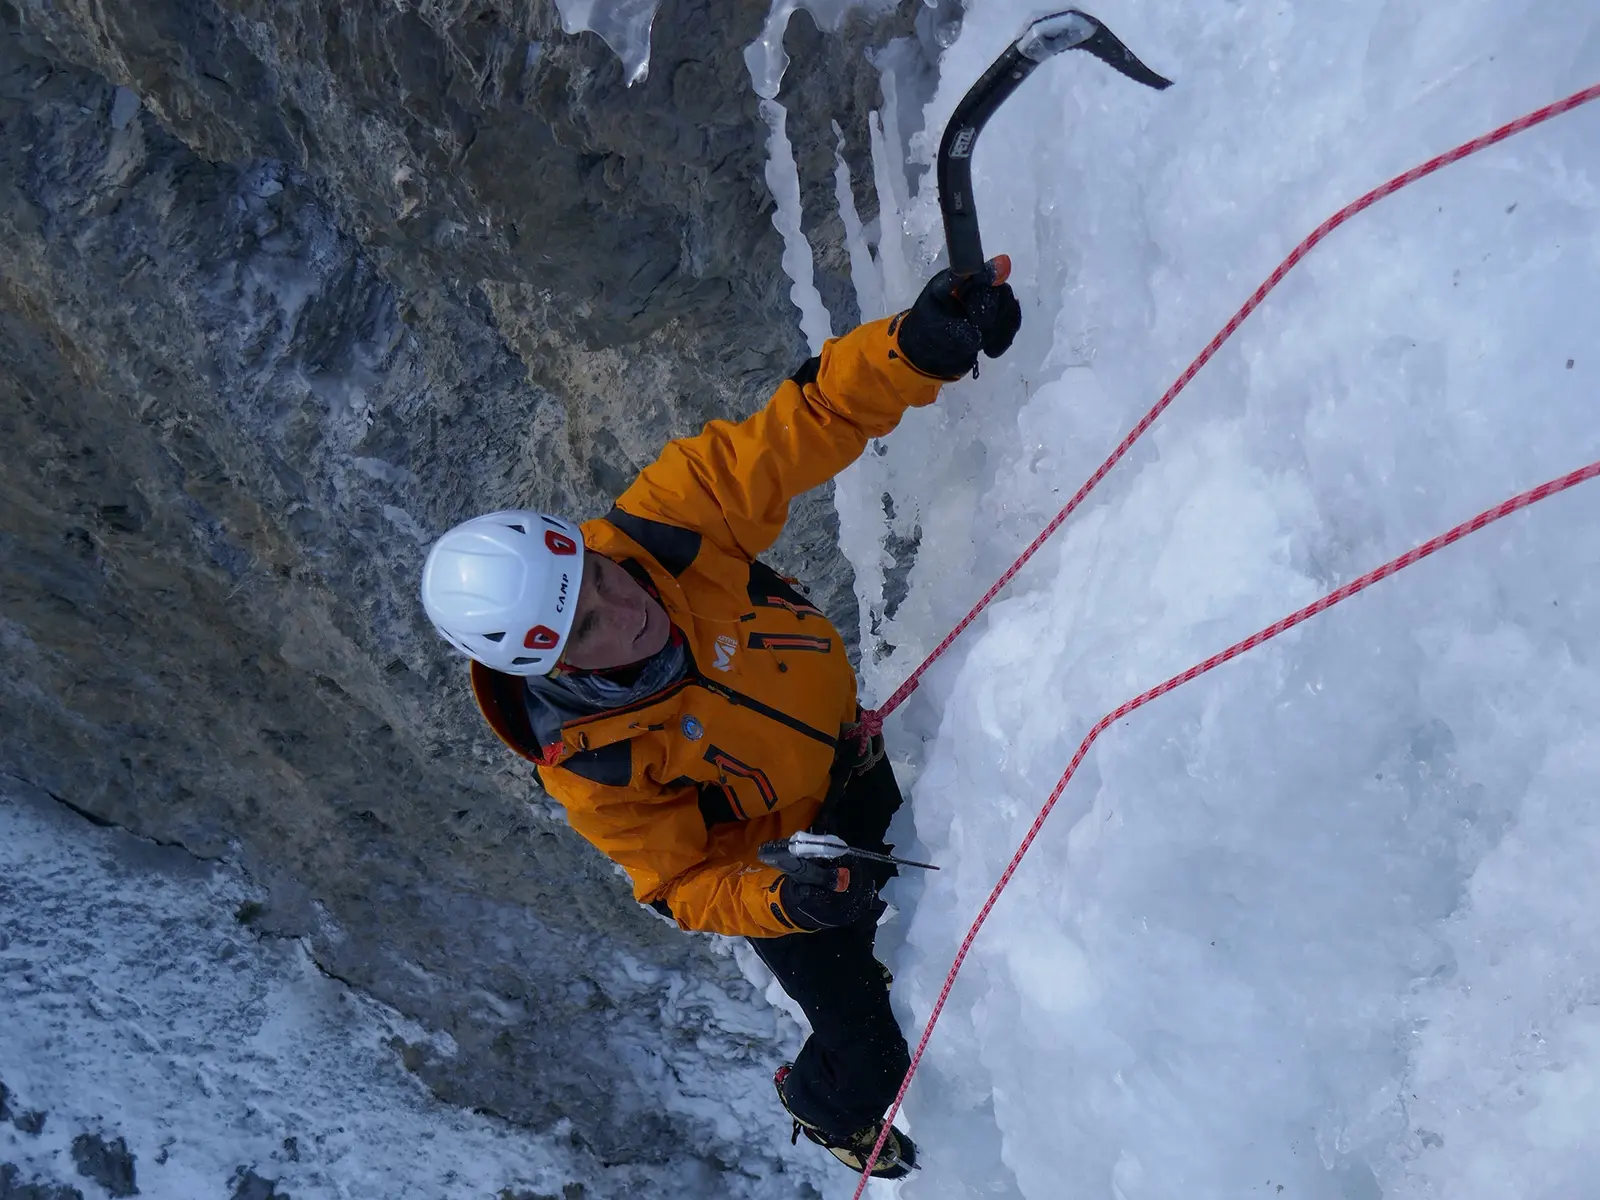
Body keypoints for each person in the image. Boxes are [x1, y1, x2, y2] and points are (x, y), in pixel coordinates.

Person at [420, 267, 1021, 1177]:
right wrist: (784, 900)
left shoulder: (665, 525)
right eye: (586, 627)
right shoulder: (593, 767)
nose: (625, 610)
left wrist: (915, 348)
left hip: (848, 758)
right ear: (547, 665)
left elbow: (805, 422)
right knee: (873, 1058)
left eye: (600, 577)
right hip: (785, 862)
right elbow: (679, 884)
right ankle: (821, 1105)